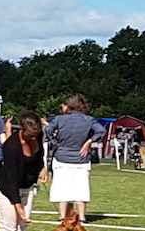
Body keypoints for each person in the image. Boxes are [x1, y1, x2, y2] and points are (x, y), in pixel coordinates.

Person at [45, 93, 105, 224]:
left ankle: (62, 216)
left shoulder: (59, 119)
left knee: (61, 187)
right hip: (81, 158)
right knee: (81, 188)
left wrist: (55, 143)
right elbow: (101, 131)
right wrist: (89, 142)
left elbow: (48, 131)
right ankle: (82, 217)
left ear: (69, 106)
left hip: (61, 156)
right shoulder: (88, 120)